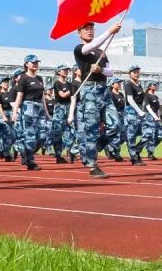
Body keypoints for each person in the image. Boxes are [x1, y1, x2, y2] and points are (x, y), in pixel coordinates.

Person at [72, 21, 122, 178]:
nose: (89, 31)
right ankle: (92, 164)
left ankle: (87, 150)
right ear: (79, 33)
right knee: (92, 128)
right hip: (90, 90)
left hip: (104, 90)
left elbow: (110, 71)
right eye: (86, 29)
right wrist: (110, 31)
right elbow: (90, 46)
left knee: (116, 124)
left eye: (91, 28)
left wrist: (100, 69)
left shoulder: (101, 51)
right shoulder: (80, 49)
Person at [123, 65, 149, 166]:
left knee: (148, 133)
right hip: (131, 110)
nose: (136, 74)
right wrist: (139, 111)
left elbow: (142, 100)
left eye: (138, 72)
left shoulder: (139, 85)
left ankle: (137, 151)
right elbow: (130, 99)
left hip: (140, 109)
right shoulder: (128, 84)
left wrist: (143, 110)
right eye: (134, 72)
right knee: (131, 135)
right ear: (129, 74)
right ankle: (134, 157)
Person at [49, 66, 74, 163]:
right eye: (64, 70)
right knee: (57, 132)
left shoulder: (69, 84)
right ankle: (58, 155)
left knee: (70, 130)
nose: (66, 72)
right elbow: (62, 95)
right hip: (59, 108)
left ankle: (70, 152)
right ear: (59, 72)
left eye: (67, 70)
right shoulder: (57, 83)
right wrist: (72, 90)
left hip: (68, 107)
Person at [103, 78, 125, 162]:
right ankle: (116, 154)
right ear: (112, 84)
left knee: (123, 135)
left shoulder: (121, 94)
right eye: (117, 83)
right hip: (113, 115)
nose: (119, 84)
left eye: (120, 83)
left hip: (121, 115)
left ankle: (110, 147)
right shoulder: (110, 94)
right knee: (116, 134)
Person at [142, 81, 162, 160]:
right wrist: (154, 116)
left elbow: (157, 108)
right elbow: (148, 107)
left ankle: (150, 148)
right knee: (151, 135)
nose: (156, 86)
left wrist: (159, 117)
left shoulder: (155, 96)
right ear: (149, 87)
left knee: (161, 134)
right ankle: (150, 153)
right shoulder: (146, 95)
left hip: (156, 117)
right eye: (154, 85)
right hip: (149, 116)